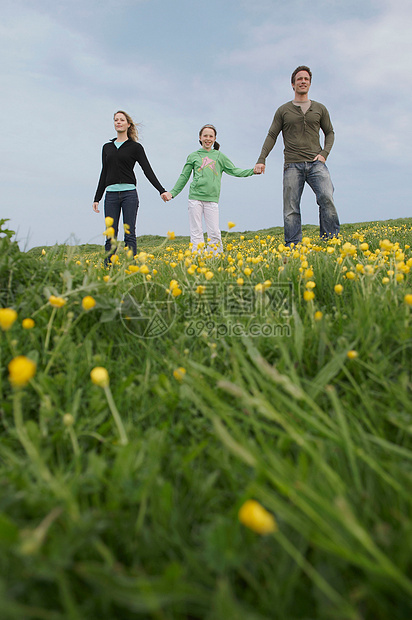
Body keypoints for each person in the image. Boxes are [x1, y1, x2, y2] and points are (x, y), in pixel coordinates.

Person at [254, 66, 340, 246]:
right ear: (293, 84)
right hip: (292, 165)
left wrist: (324, 154)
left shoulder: (320, 108)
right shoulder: (283, 110)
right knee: (291, 209)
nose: (303, 81)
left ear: (310, 83)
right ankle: (293, 246)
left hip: (316, 163)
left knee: (327, 198)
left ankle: (331, 242)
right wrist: (262, 159)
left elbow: (330, 132)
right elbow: (272, 135)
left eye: (306, 79)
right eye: (299, 79)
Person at [162, 124, 258, 253]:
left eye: (211, 136)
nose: (208, 138)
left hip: (212, 199)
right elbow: (184, 177)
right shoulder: (193, 156)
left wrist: (252, 171)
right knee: (196, 232)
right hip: (195, 198)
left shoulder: (219, 156)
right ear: (200, 138)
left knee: (214, 232)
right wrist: (172, 193)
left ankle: (216, 259)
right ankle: (198, 259)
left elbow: (235, 171)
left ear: (215, 138)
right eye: (205, 136)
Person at [92, 110, 168, 261]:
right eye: (116, 120)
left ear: (128, 124)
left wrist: (162, 190)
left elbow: (148, 170)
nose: (118, 122)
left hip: (129, 195)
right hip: (111, 195)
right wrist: (97, 198)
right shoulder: (107, 147)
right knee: (110, 234)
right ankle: (109, 270)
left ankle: (130, 268)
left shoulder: (135, 147)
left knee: (130, 234)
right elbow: (104, 172)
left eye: (121, 120)